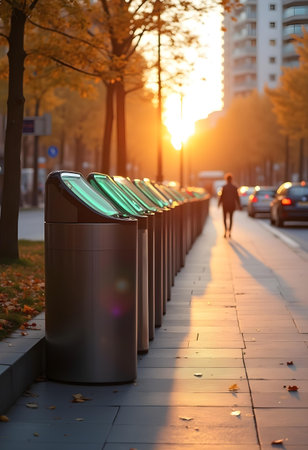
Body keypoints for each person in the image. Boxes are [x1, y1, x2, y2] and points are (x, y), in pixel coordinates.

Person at [218, 173, 241, 238]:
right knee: (231, 218)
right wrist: (239, 205)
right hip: (232, 205)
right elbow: (237, 197)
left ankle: (225, 231)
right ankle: (229, 232)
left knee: (225, 218)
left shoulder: (224, 187)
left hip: (225, 205)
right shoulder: (234, 188)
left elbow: (221, 197)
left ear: (226, 180)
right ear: (231, 179)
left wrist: (219, 204)